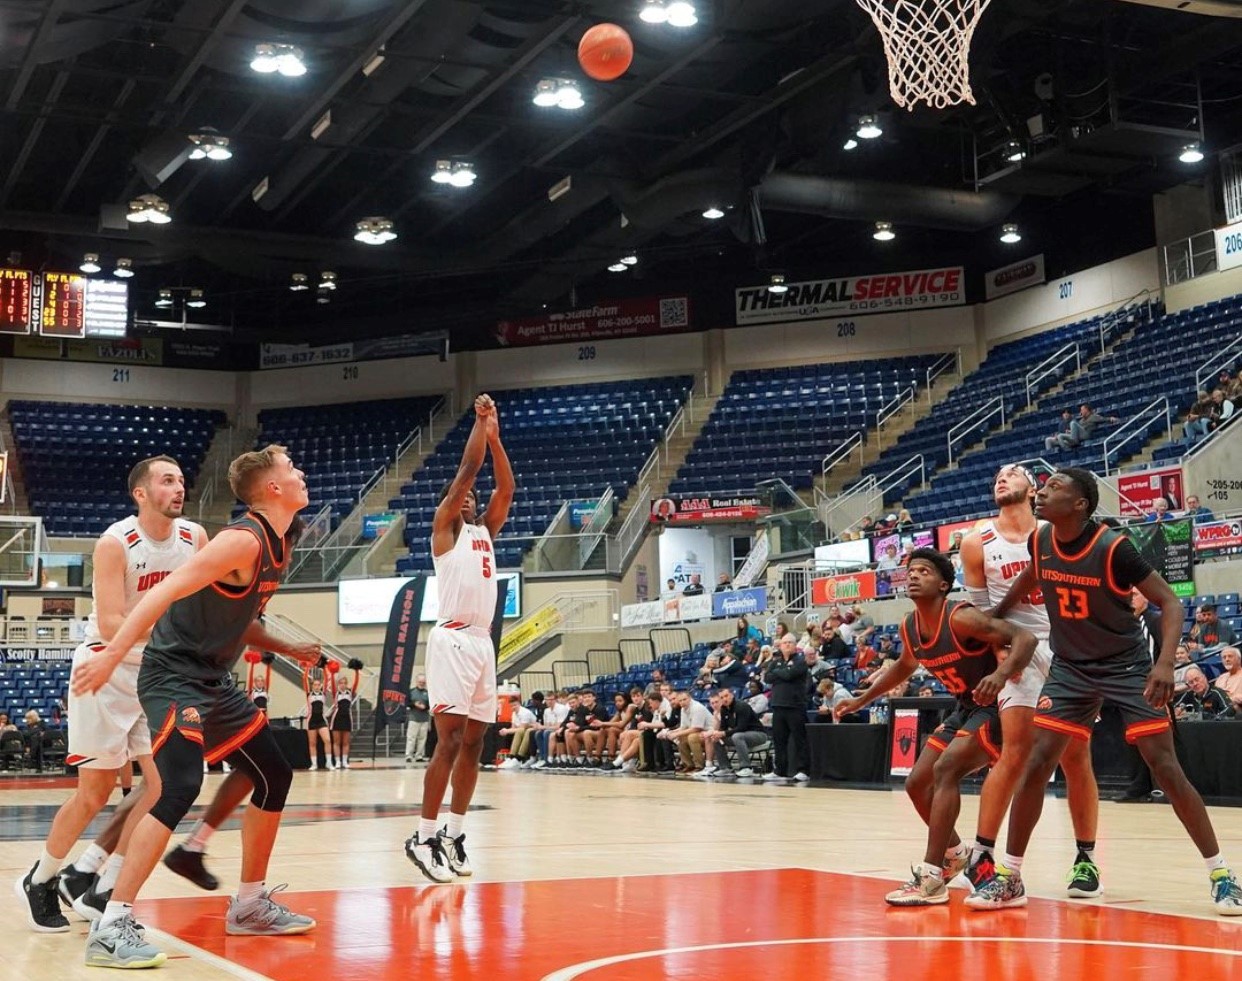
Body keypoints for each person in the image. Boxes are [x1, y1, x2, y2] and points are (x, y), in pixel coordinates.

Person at [71, 444, 324, 966]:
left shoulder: (280, 544)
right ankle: (111, 924)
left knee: (274, 772)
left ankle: (250, 905)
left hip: (211, 677)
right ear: (272, 488)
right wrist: (110, 654)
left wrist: (288, 648)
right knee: (180, 783)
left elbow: (236, 619)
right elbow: (163, 595)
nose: (301, 474)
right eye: (291, 470)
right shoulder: (240, 541)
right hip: (171, 676)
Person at [965, 468, 1242, 915]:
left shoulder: (1113, 548)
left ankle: (1222, 875)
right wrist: (995, 615)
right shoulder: (1040, 541)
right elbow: (1030, 577)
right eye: (1044, 485)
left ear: (1080, 505)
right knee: (1037, 761)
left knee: (1166, 769)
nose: (1043, 491)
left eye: (1055, 487)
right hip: (1072, 668)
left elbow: (1169, 602)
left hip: (1127, 667)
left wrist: (1165, 664)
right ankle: (1010, 876)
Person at [17, 456, 206, 933]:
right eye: (167, 481)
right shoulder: (116, 542)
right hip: (107, 667)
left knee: (163, 787)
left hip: (158, 674)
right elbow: (111, 623)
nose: (178, 488)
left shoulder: (195, 538)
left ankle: (103, 886)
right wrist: (176, 644)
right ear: (140, 493)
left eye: (181, 480)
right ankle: (40, 880)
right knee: (95, 793)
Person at [835, 549, 1036, 906]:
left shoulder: (960, 617)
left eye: (924, 571)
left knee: (946, 769)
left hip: (997, 706)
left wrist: (1000, 674)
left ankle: (932, 876)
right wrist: (862, 698)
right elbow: (903, 667)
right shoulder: (910, 626)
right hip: (965, 707)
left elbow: (1025, 639)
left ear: (944, 584)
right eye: (910, 570)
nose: (913, 576)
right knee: (916, 783)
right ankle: (956, 853)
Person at [957, 464, 1101, 896]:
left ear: (1033, 487)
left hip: (1066, 650)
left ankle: (1086, 860)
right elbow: (982, 619)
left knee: (1076, 757)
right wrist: (1004, 659)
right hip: (1017, 650)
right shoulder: (975, 541)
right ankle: (983, 854)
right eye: (996, 475)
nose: (1002, 477)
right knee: (1014, 753)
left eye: (1013, 472)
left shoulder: (1053, 530)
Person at [405, 394, 513, 884]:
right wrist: (479, 425)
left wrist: (496, 440)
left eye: (471, 496)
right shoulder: (444, 534)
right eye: (461, 495)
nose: (468, 497)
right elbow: (468, 471)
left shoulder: (486, 530)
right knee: (447, 740)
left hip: (482, 643)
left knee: (475, 742)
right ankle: (423, 835)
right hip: (451, 640)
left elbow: (505, 490)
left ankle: (454, 832)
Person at [763, 634, 809, 782]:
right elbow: (767, 678)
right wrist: (781, 672)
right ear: (780, 646)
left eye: (790, 642)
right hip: (778, 706)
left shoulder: (800, 661)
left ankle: (803, 770)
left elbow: (789, 675)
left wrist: (778, 672)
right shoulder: (775, 662)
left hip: (795, 706)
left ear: (795, 645)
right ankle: (780, 770)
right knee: (779, 741)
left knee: (799, 740)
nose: (787, 645)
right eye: (784, 643)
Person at [331, 663, 359, 768]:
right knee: (337, 741)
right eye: (340, 683)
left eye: (344, 683)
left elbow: (356, 682)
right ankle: (338, 762)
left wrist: (356, 671)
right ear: (338, 684)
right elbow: (333, 684)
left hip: (347, 718)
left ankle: (344, 761)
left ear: (347, 684)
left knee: (346, 742)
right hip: (337, 718)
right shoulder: (335, 693)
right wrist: (333, 673)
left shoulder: (350, 692)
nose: (342, 684)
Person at [304, 674, 333, 770]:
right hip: (311, 721)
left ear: (321, 686)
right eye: (314, 685)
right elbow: (304, 680)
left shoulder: (323, 694)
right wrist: (307, 668)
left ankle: (328, 763)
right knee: (312, 743)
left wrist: (325, 667)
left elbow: (326, 679)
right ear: (312, 686)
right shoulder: (309, 694)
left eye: (318, 685)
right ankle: (314, 764)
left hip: (321, 720)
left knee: (327, 740)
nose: (316, 686)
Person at [405, 673, 430, 764]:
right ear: (416, 682)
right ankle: (409, 755)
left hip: (424, 719)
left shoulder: (428, 693)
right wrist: (415, 704)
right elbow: (406, 702)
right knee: (411, 737)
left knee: (422, 738)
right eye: (420, 682)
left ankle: (419, 755)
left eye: (423, 682)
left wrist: (425, 706)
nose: (421, 683)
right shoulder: (411, 691)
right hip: (413, 718)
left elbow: (430, 705)